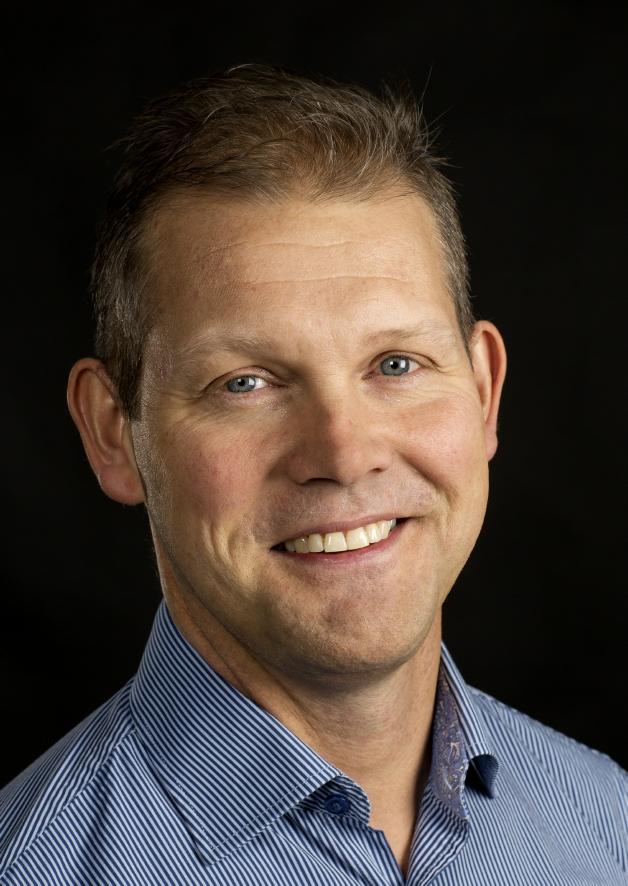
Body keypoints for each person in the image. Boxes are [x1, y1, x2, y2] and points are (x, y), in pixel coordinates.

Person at [0, 63, 625, 886]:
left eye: (395, 363)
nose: (343, 453)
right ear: (113, 432)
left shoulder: (606, 820)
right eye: (245, 383)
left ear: (483, 393)